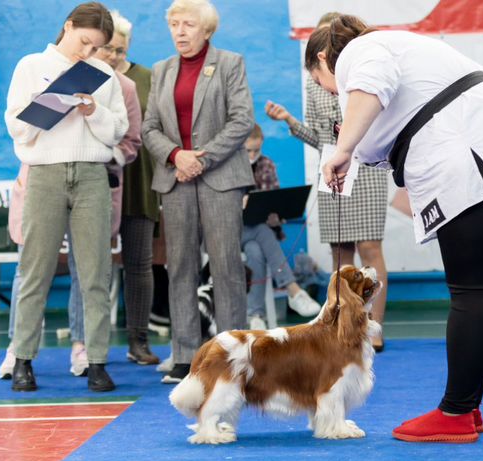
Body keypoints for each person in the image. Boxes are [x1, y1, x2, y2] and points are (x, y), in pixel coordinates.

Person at [313, 16, 483, 443]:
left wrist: (343, 149)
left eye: (324, 84)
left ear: (323, 59)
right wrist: (354, 147)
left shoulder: (360, 52)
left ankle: (456, 412)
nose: (334, 94)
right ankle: (468, 405)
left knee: (471, 292)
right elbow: (382, 133)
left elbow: (369, 86)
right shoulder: (400, 49)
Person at [4, 1, 128, 392]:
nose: (88, 53)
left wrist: (93, 111)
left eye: (96, 48)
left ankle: (96, 362)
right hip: (45, 173)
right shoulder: (29, 66)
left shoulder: (103, 74)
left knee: (95, 272)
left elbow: (118, 131)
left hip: (92, 174)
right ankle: (23, 359)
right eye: (85, 41)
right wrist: (50, 106)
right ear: (68, 26)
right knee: (35, 269)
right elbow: (17, 127)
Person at [143, 0, 255, 384]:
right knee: (180, 268)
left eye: (188, 24)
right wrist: (177, 156)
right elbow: (149, 128)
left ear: (207, 30)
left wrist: (200, 160)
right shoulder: (161, 71)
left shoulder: (229, 63)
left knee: (226, 266)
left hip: (219, 177)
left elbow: (243, 120)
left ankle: (234, 352)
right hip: (176, 180)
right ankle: (185, 354)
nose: (179, 31)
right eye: (174, 24)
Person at [265, 12, 388, 351]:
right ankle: (347, 327)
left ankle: (374, 329)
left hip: (367, 164)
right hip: (333, 164)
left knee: (370, 248)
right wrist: (289, 120)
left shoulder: (362, 72)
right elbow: (320, 137)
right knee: (340, 251)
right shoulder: (313, 82)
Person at [99, 10, 162, 365]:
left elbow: (156, 127)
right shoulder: (86, 78)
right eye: (106, 48)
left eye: (119, 50)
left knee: (139, 263)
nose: (112, 56)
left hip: (139, 181)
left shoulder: (147, 78)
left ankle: (138, 341)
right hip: (101, 180)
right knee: (94, 267)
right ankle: (92, 347)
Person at [242, 124, 321, 330]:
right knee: (261, 230)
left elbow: (271, 201)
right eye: (248, 150)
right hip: (231, 232)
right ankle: (293, 289)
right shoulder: (230, 167)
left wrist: (275, 215)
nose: (252, 155)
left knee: (256, 250)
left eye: (256, 150)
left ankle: (255, 315)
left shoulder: (266, 164)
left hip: (257, 234)